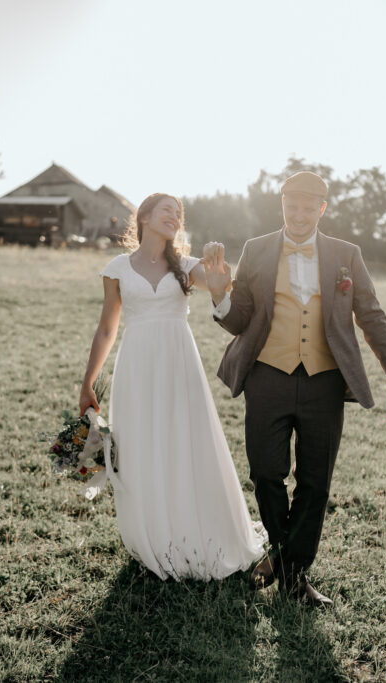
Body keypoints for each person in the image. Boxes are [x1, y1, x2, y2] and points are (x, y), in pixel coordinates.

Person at [202, 171, 386, 606]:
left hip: (325, 383)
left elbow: (372, 316)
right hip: (267, 376)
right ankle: (283, 556)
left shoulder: (346, 255)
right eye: (291, 207)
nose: (298, 216)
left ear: (322, 209)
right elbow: (240, 320)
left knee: (315, 482)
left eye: (307, 208)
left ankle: (293, 573)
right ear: (282, 205)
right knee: (265, 473)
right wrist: (220, 296)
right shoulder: (256, 249)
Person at [79, 193, 266, 580]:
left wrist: (219, 285)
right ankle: (152, 535)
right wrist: (88, 381)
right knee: (141, 447)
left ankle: (196, 533)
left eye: (178, 213)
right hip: (136, 367)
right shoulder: (117, 268)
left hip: (179, 364)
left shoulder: (186, 265)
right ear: (144, 217)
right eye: (167, 209)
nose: (175, 216)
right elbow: (107, 329)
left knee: (186, 441)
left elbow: (217, 287)